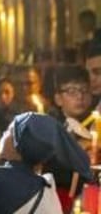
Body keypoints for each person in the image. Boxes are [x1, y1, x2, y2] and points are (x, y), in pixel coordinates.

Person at [47, 65, 93, 210]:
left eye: (84, 90)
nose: (80, 96)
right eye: (71, 91)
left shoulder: (95, 126)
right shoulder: (50, 129)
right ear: (58, 99)